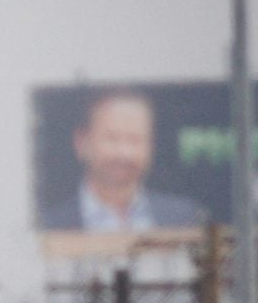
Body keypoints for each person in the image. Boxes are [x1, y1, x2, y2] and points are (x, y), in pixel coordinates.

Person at [42, 87, 205, 232]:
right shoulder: (48, 227)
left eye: (135, 140)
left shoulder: (185, 220)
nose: (124, 153)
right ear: (82, 143)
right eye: (112, 138)